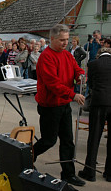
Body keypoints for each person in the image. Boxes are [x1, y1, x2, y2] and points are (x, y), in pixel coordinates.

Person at [33, 24, 86, 187]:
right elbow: (53, 84)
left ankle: (68, 174)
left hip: (63, 104)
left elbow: (77, 69)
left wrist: (81, 76)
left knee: (68, 140)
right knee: (49, 140)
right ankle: (28, 155)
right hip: (50, 105)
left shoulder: (67, 55)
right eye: (62, 40)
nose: (65, 43)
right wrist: (73, 94)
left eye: (67, 40)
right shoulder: (46, 57)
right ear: (53, 39)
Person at [78, 47, 111, 183]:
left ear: (99, 54)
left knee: (94, 138)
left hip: (99, 103)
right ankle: (109, 173)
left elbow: (90, 84)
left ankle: (89, 171)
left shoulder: (92, 64)